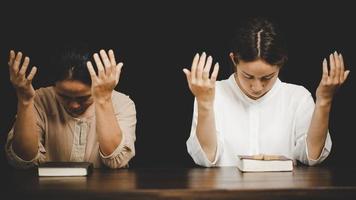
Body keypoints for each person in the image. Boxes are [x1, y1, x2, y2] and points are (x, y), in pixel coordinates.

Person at [183, 17, 350, 167]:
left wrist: (324, 101)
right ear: (234, 60)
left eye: (267, 77)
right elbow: (205, 158)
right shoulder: (213, 93)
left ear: (281, 63)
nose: (257, 87)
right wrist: (204, 103)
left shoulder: (297, 97)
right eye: (248, 76)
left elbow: (312, 157)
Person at [5, 45, 136, 169]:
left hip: (103, 192)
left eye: (84, 98)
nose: (74, 105)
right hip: (48, 191)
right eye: (64, 96)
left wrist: (103, 99)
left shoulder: (122, 103)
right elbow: (23, 160)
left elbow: (115, 161)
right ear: (54, 87)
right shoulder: (39, 99)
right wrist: (25, 101)